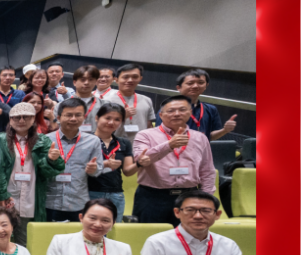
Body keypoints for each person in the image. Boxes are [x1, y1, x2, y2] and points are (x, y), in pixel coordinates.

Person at [131, 95, 217, 226]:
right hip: (152, 197)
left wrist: (206, 198)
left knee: (187, 235)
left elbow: (207, 171)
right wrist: (169, 145)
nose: (176, 114)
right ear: (161, 115)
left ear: (190, 113)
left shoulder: (200, 138)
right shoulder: (145, 135)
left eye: (182, 110)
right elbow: (141, 159)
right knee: (149, 234)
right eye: (171, 111)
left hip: (189, 196)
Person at [0, 103, 65, 245]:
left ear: (33, 119)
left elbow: (49, 172)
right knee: (2, 238)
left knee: (25, 241)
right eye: (17, 117)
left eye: (26, 117)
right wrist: (1, 194)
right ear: (10, 120)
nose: (21, 120)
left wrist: (51, 160)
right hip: (7, 195)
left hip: (31, 195)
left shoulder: (42, 140)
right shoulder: (0, 140)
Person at [44, 97, 104, 222]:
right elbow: (40, 169)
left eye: (78, 115)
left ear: (84, 117)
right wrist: (49, 160)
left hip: (78, 203)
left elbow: (98, 170)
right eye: (68, 115)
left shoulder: (93, 141)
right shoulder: (46, 140)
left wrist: (93, 170)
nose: (73, 119)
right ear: (58, 117)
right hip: (50, 202)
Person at [89, 102, 137, 222]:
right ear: (97, 118)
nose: (111, 122)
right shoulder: (85, 140)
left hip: (116, 194)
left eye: (117, 119)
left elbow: (127, 171)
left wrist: (139, 163)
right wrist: (104, 164)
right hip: (90, 192)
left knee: (112, 230)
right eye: (107, 118)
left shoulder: (124, 143)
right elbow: (78, 167)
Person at [100, 63, 155, 143]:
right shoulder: (105, 101)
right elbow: (100, 128)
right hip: (114, 145)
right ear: (117, 80)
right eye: (125, 77)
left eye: (135, 77)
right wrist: (122, 117)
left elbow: (149, 126)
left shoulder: (147, 100)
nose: (130, 80)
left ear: (140, 79)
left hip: (140, 146)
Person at [177, 68, 237, 140]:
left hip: (202, 147)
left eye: (200, 83)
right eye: (190, 83)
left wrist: (225, 130)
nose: (195, 86)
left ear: (206, 86)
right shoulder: (169, 109)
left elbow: (209, 136)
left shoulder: (211, 109)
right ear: (179, 87)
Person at [58, 65, 101, 133]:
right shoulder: (60, 106)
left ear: (96, 82)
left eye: (90, 79)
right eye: (83, 79)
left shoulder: (103, 105)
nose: (86, 83)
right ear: (74, 82)